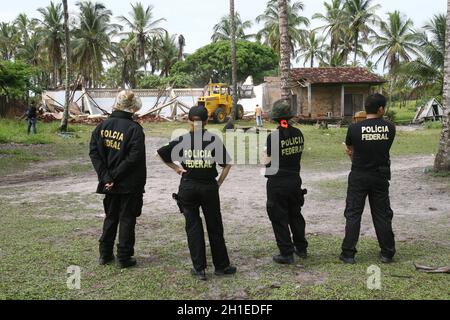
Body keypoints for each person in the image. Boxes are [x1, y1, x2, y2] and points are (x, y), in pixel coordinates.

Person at [157, 106, 236, 281]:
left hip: (188, 188)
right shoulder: (213, 139)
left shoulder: (182, 140)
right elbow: (227, 164)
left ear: (189, 121)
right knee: (215, 226)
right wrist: (218, 183)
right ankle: (222, 266)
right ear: (207, 121)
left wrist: (177, 169)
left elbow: (161, 153)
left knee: (193, 227)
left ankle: (199, 269)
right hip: (209, 187)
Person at [89, 90, 146, 269]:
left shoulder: (102, 127)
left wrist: (106, 177)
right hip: (129, 184)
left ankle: (104, 254)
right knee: (127, 219)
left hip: (109, 184)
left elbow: (94, 153)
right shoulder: (134, 129)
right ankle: (124, 257)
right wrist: (114, 176)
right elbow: (133, 157)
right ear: (133, 107)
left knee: (111, 217)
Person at [340, 93, 396, 265]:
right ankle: (387, 253)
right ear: (380, 109)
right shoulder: (390, 128)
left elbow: (350, 150)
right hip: (380, 175)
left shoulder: (354, 128)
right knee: (382, 214)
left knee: (353, 214)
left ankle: (348, 253)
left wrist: (354, 158)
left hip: (358, 175)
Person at [265, 99, 308, 265]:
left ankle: (286, 253)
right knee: (295, 214)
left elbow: (267, 161)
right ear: (289, 117)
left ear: (275, 118)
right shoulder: (298, 134)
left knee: (278, 217)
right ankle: (301, 248)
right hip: (295, 180)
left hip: (277, 182)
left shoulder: (273, 137)